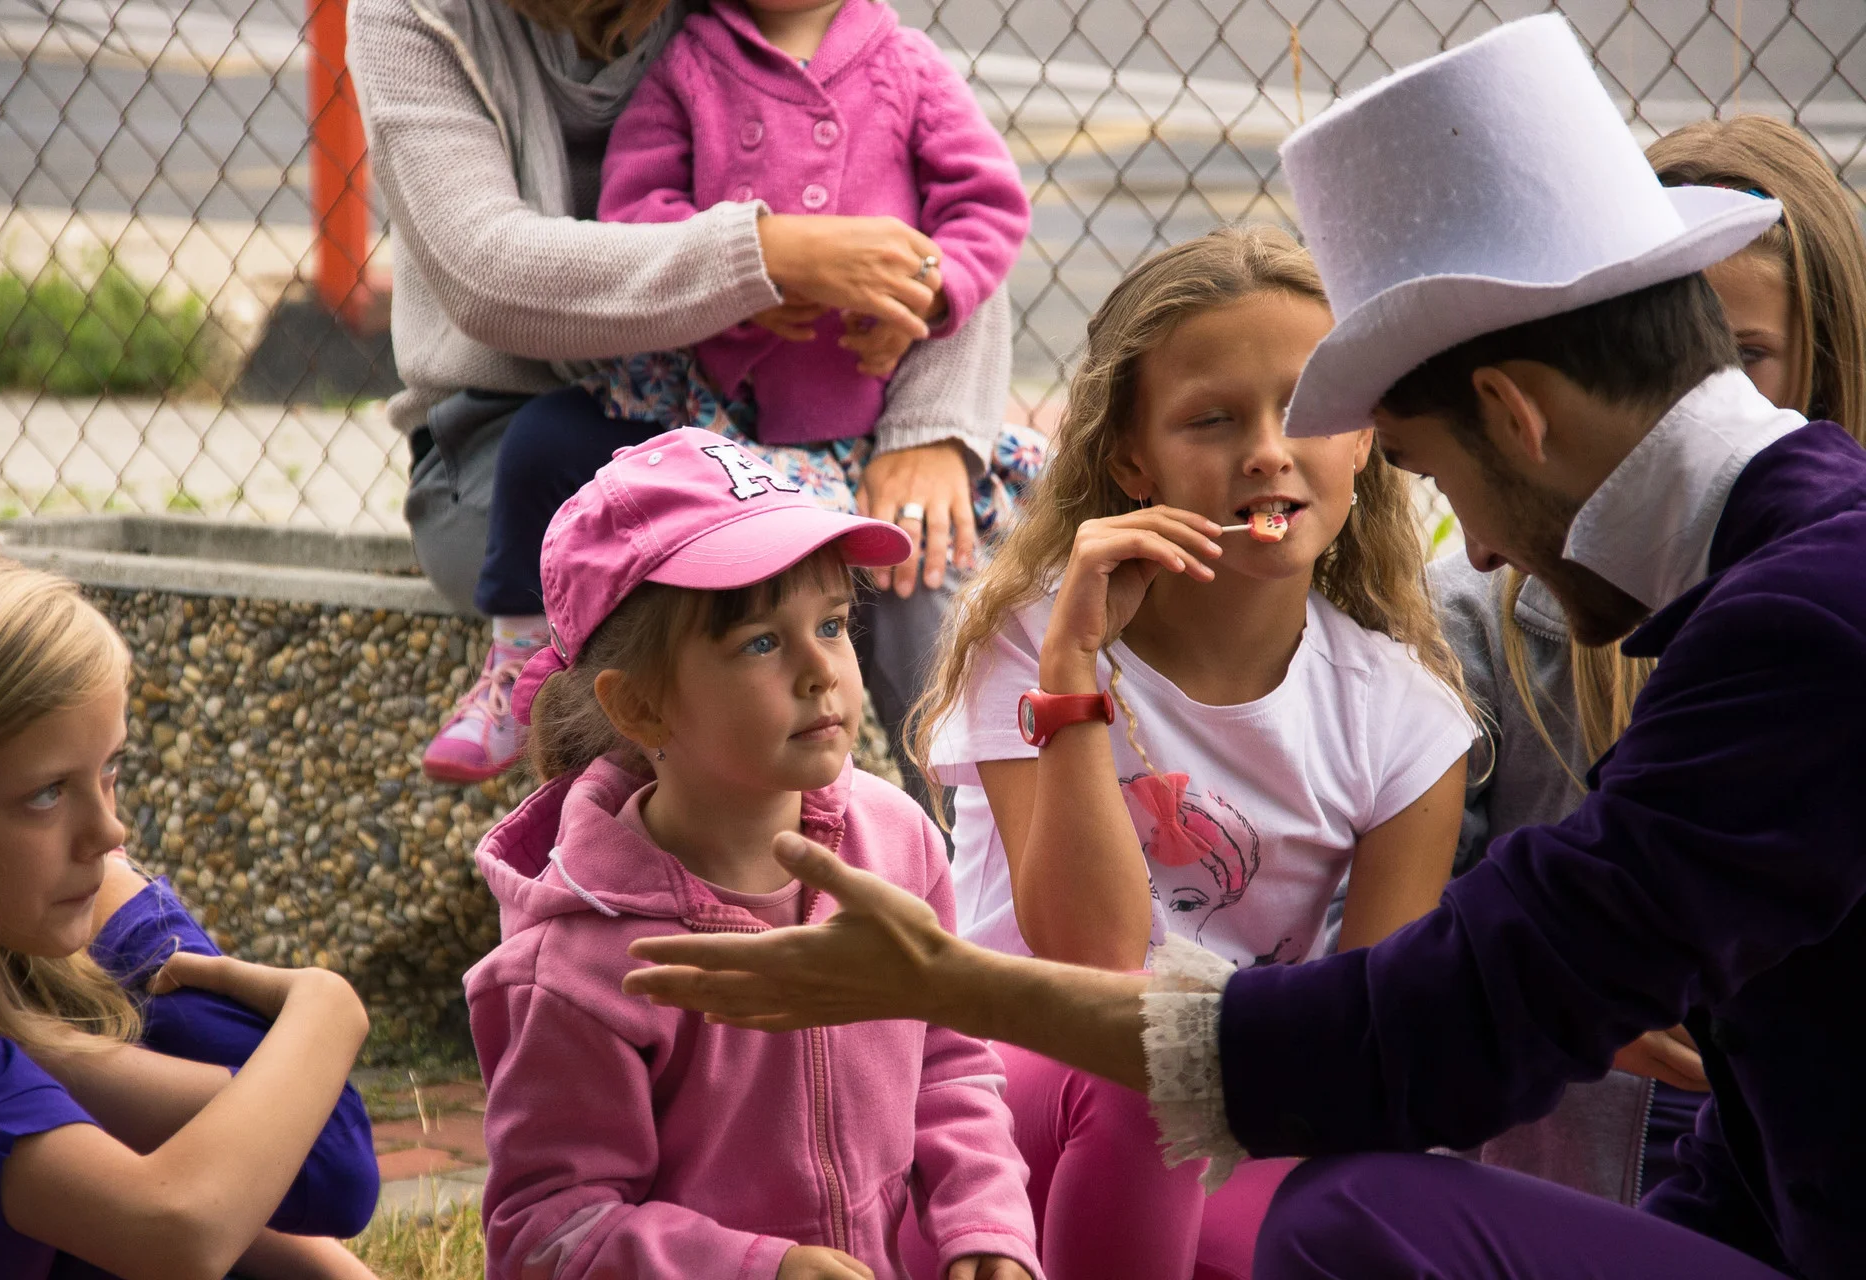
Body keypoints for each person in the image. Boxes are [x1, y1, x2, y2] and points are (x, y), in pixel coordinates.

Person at [620, 15, 1866, 1279]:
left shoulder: (1801, 628)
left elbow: (1432, 1033)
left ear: (1514, 415)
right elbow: (1753, 1149)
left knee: (1347, 1218)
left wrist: (946, 981)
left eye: (1435, 475)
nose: (1480, 555)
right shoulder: (1793, 588)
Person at [912, 226, 1474, 1279]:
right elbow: (1089, 960)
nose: (1268, 449)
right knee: (1146, 1074)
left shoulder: (1407, 717)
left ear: (1362, 437)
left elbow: (1363, 1044)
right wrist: (1076, 667)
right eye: (1212, 420)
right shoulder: (1035, 639)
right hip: (995, 1117)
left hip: (1237, 1126)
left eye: (1309, 409)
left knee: (1400, 1202)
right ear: (1132, 458)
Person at [347, 0, 1031, 788]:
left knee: (920, 561)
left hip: (798, 415)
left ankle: (963, 864)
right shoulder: (417, 16)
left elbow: (946, 216)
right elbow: (487, 276)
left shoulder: (801, 24)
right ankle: (651, 870)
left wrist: (934, 430)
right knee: (702, 580)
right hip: (525, 436)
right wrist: (760, 258)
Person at [465, 428, 1039, 1280]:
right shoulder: (579, 966)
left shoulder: (898, 844)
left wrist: (985, 1227)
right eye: (761, 643)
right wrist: (755, 1269)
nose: (822, 671)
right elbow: (548, 1230)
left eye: (834, 624)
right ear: (643, 709)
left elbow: (948, 1062)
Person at [1432, 112, 1866, 1203]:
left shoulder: (1817, 605)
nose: (1685, 397)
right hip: (1591, 1122)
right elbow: (1441, 948)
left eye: (1736, 357)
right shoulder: (1491, 614)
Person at [0, 551, 373, 1280]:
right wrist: (326, 1003)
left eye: (110, 770)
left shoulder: (8, 988)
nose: (111, 833)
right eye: (47, 793)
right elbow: (180, 1227)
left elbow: (301, 1183)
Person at [597, 0, 1029, 446]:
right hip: (713, 401)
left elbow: (987, 203)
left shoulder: (907, 63)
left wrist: (931, 293)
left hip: (877, 399)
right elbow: (636, 211)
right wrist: (733, 283)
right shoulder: (688, 65)